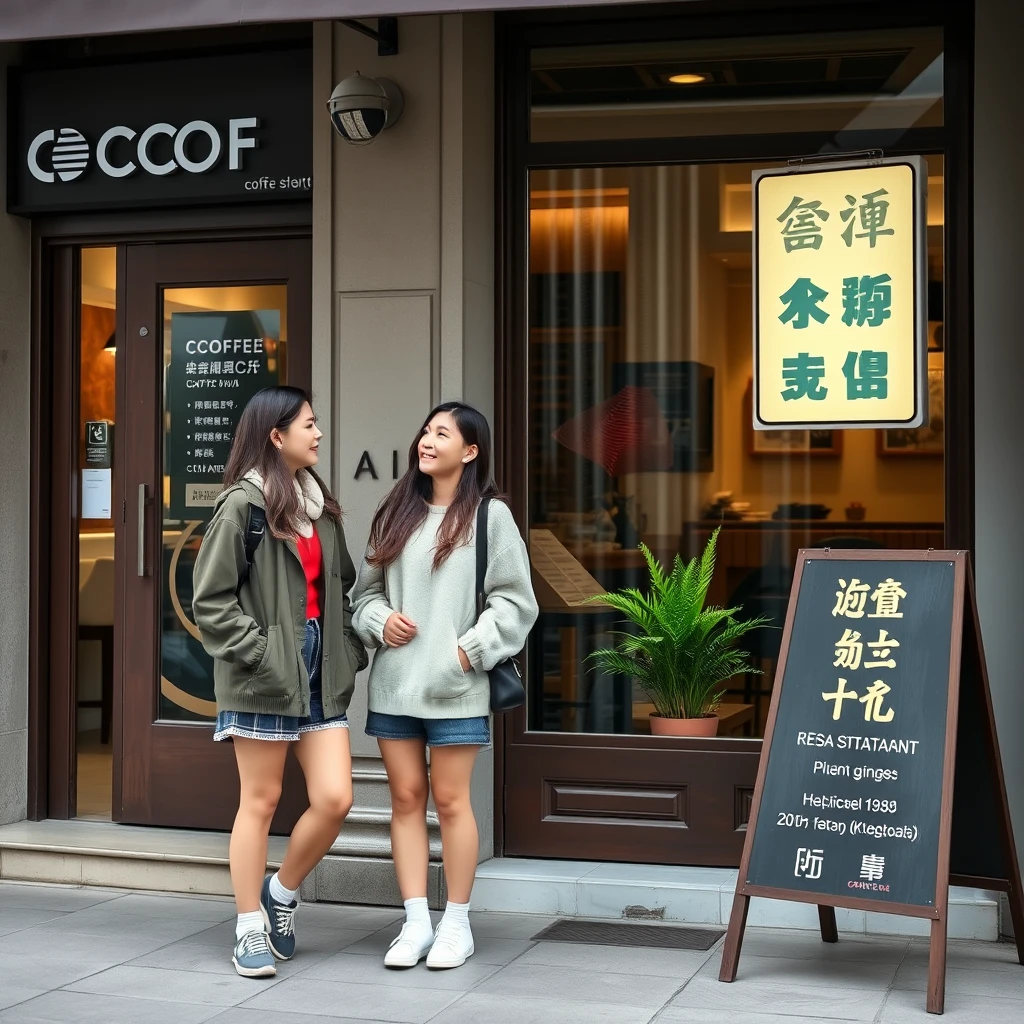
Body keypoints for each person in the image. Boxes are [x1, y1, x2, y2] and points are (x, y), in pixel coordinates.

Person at [352, 401, 538, 970]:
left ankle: (457, 923)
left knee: (452, 802)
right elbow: (362, 596)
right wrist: (380, 621)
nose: (426, 441)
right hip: (395, 686)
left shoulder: (490, 517)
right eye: (425, 431)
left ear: (471, 450)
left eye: (441, 433)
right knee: (406, 800)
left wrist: (469, 650)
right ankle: (415, 923)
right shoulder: (394, 512)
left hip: (457, 687)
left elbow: (515, 601)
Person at [192, 386, 367, 979]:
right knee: (260, 803)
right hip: (266, 671)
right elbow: (210, 601)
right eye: (309, 425)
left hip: (318, 671)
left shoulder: (320, 507)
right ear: (276, 435)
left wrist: (346, 647)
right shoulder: (243, 507)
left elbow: (338, 591)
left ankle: (282, 894)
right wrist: (262, 653)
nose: (318, 434)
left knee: (336, 798)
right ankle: (248, 930)